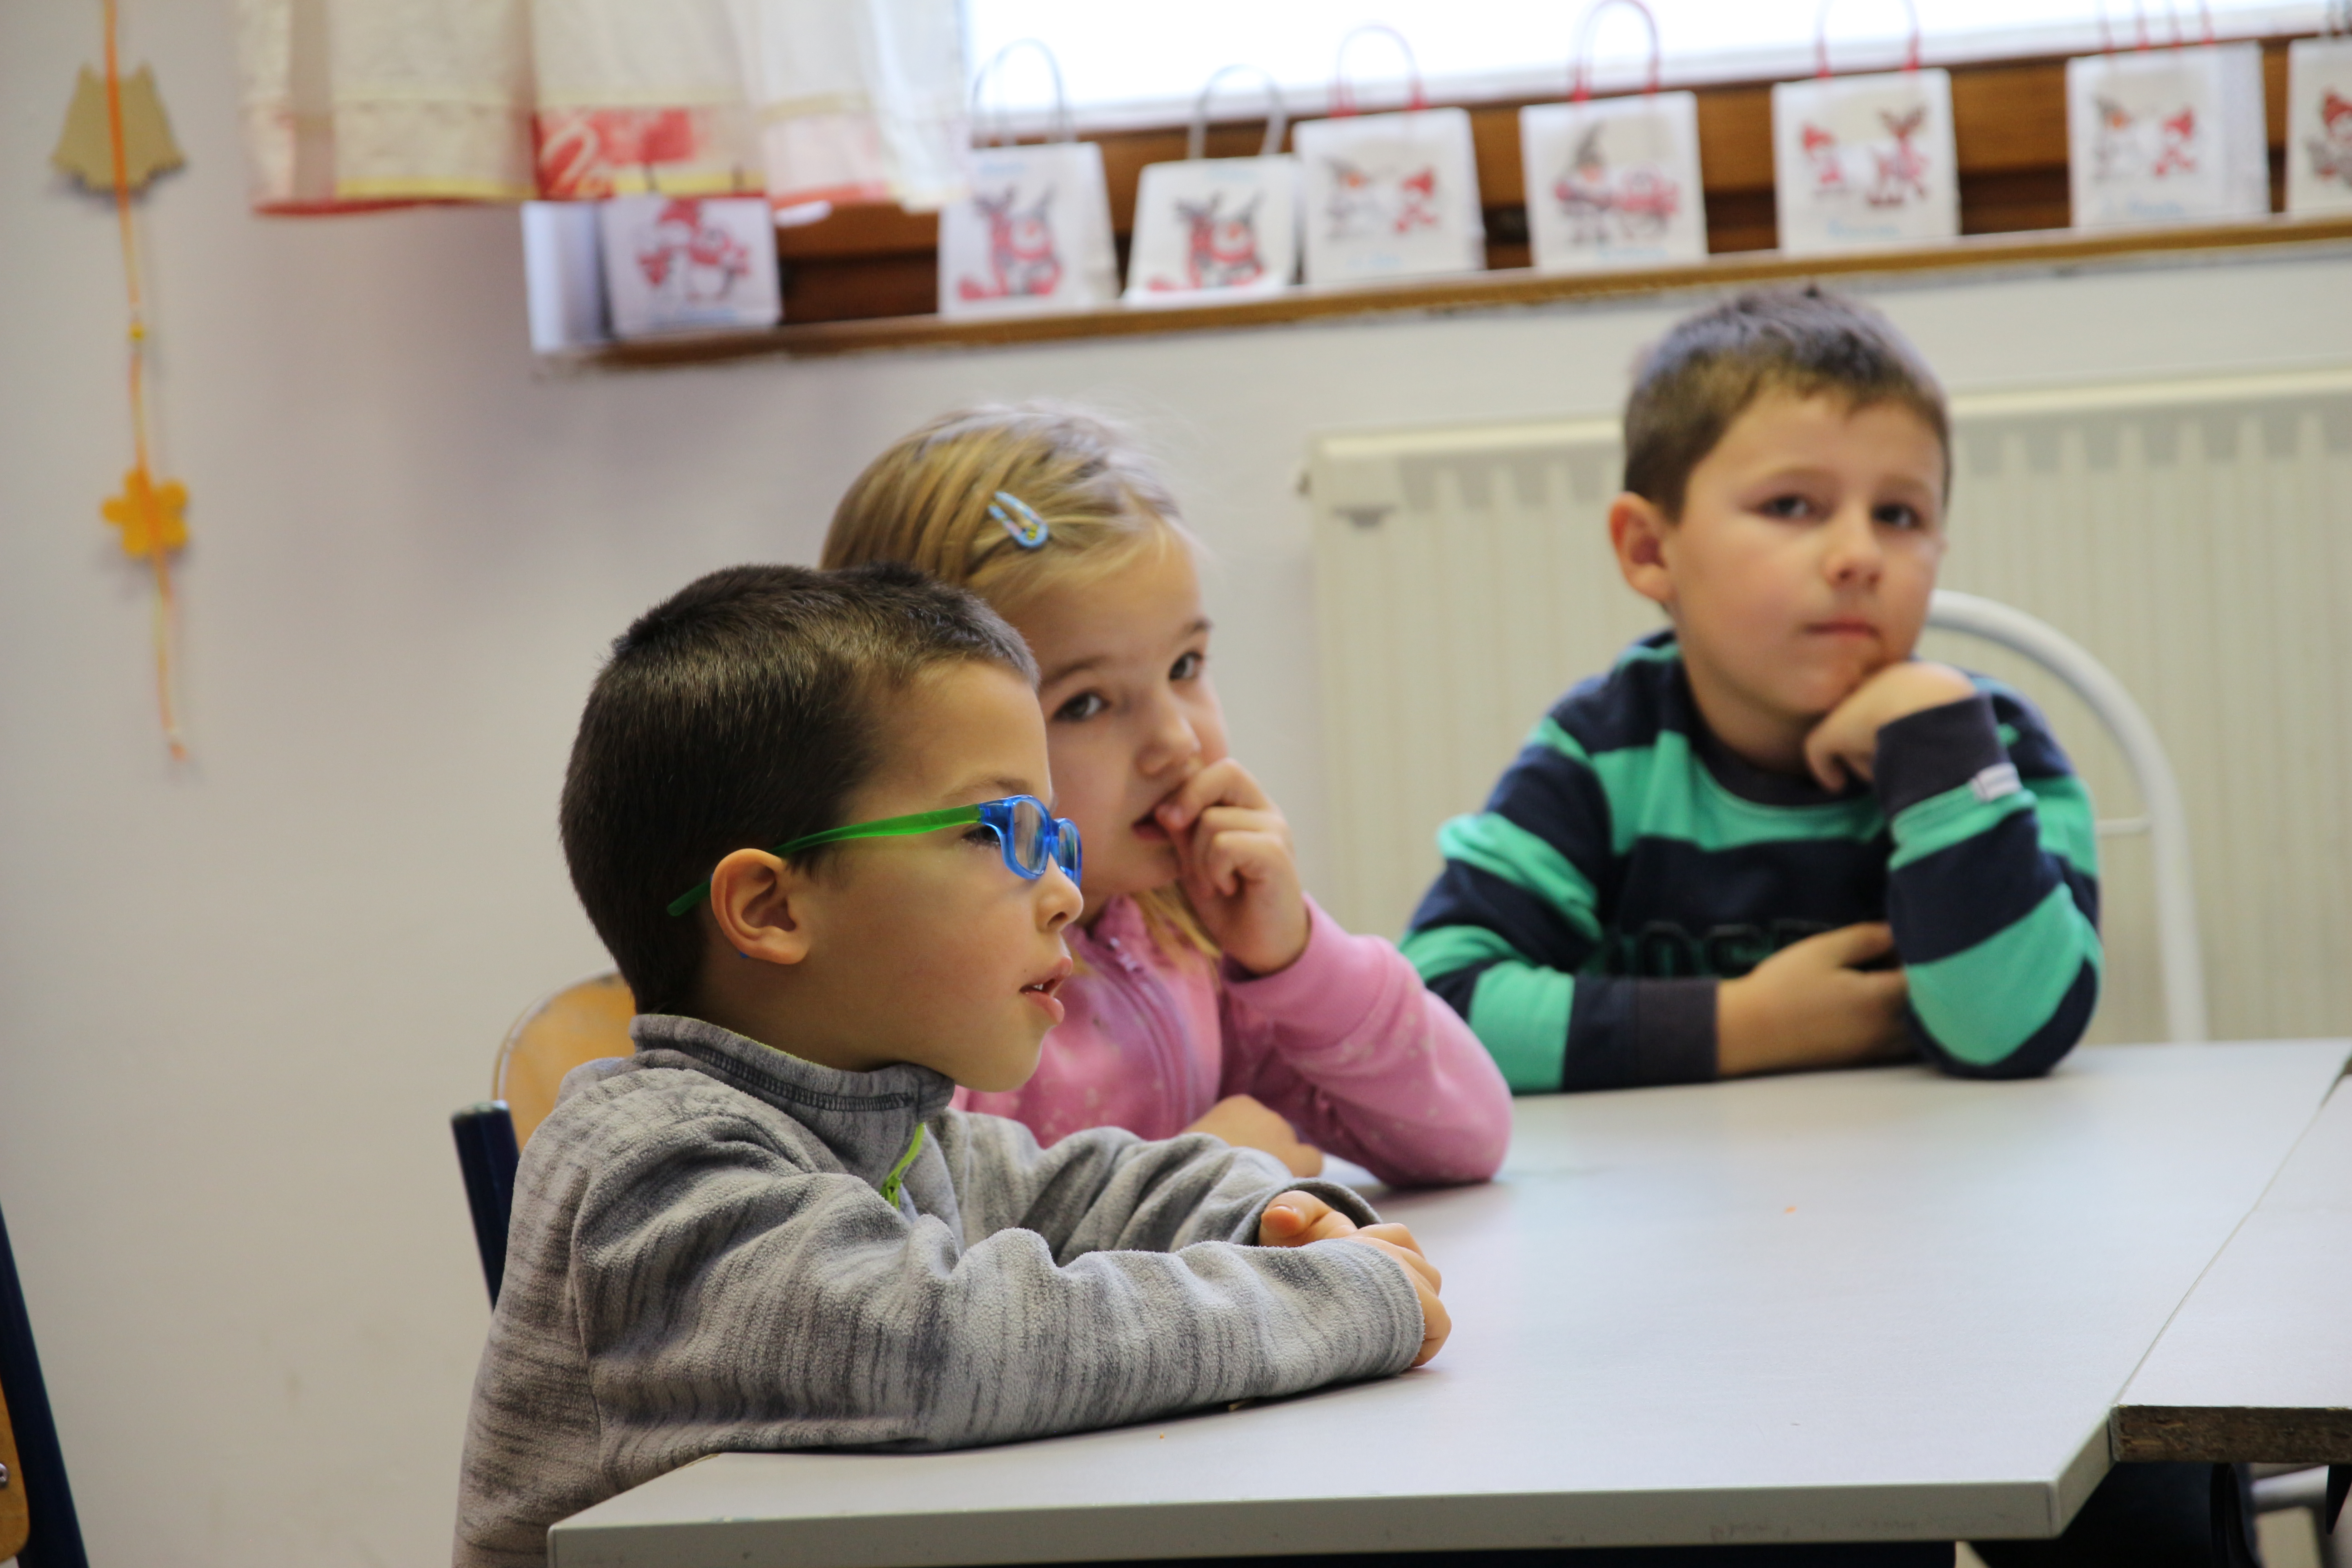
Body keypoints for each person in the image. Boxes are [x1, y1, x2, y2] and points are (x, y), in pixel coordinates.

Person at [454, 563, 1446, 1568]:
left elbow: (1098, 1189)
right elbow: (943, 1348)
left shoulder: (894, 1129)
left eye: (1053, 839)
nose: (1065, 893)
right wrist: (1330, 1299)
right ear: (772, 908)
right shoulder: (652, 1171)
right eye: (993, 832)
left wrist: (1275, 1219)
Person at [1403, 287, 2102, 1093]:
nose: (1860, 555)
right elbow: (1430, 1016)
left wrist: (1937, 745)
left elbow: (2015, 1034)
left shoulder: (1984, 745)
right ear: (1650, 550)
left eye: (1899, 515)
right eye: (1792, 505)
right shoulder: (1602, 756)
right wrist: (1747, 1025)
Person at [820, 405, 1513, 1188]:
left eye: (1185, 666)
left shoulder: (1184, 934)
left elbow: (1466, 1140)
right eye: (1086, 704)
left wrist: (1297, 957)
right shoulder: (929, 988)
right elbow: (920, 1245)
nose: (1177, 741)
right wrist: (1198, 1181)